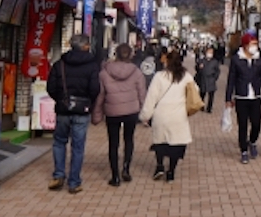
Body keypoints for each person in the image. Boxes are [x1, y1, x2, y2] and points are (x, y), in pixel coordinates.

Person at [47, 34, 101, 194]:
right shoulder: (92, 65)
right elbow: (95, 89)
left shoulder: (60, 64)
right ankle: (74, 182)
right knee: (78, 146)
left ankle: (58, 175)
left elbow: (50, 87)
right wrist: (88, 102)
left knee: (59, 142)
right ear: (85, 46)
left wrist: (61, 99)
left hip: (63, 109)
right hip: (82, 110)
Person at [92, 43, 146, 186]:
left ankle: (115, 176)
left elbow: (100, 95)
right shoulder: (136, 72)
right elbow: (142, 93)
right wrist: (144, 111)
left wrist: (97, 114)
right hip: (131, 110)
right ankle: (126, 168)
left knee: (113, 143)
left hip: (112, 111)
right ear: (130, 55)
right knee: (129, 139)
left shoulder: (104, 72)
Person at [139, 54, 193, 182]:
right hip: (178, 116)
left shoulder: (159, 76)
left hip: (161, 115)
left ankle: (159, 166)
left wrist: (145, 115)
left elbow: (151, 97)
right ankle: (171, 172)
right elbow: (194, 91)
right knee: (176, 144)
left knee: (160, 141)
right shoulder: (186, 76)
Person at [225, 32, 261, 164]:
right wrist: (228, 98)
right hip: (241, 96)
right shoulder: (236, 59)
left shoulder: (259, 59)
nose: (255, 47)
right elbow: (231, 80)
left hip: (256, 96)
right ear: (246, 45)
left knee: (257, 123)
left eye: (256, 44)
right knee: (242, 125)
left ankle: (252, 142)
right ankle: (244, 151)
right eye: (253, 44)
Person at [198, 47, 221, 113]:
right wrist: (199, 67)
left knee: (211, 95)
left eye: (211, 52)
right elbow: (197, 69)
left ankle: (209, 108)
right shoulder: (202, 60)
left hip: (211, 80)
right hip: (203, 79)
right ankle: (201, 106)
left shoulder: (215, 62)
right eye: (208, 52)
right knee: (202, 94)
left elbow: (217, 71)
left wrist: (215, 78)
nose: (209, 54)